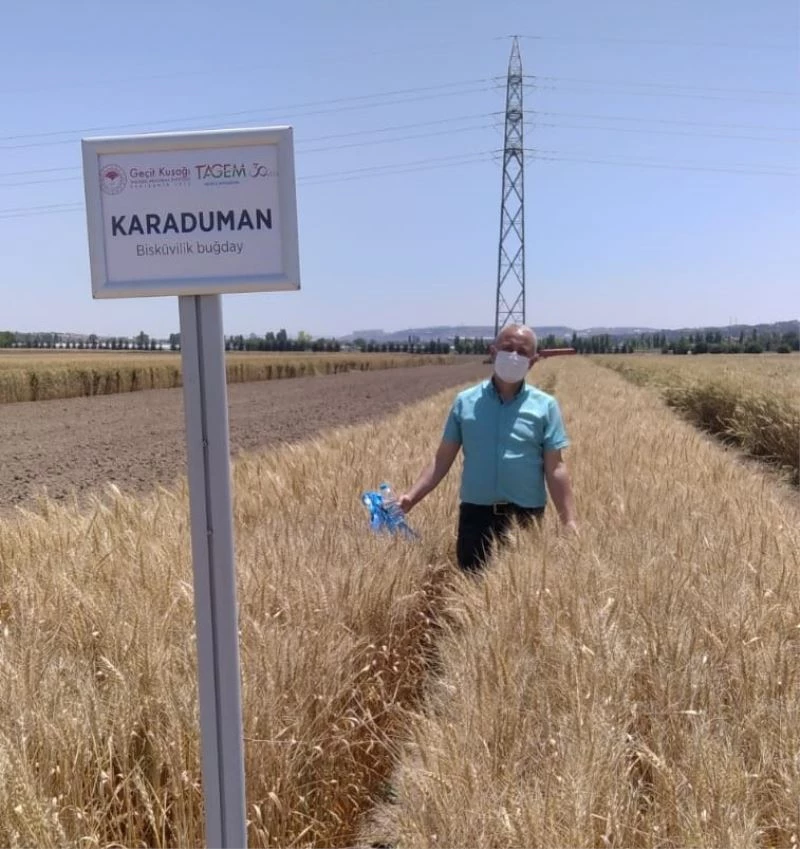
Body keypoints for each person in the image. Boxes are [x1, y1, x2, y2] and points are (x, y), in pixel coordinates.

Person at [398, 324, 578, 572]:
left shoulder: (545, 406)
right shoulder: (465, 402)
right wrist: (411, 497)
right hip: (476, 517)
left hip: (525, 517)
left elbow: (555, 467)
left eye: (522, 352)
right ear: (492, 352)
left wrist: (568, 521)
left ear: (534, 361)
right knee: (472, 585)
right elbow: (441, 460)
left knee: (521, 593)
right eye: (507, 348)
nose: (514, 356)